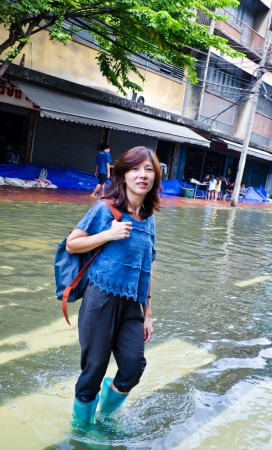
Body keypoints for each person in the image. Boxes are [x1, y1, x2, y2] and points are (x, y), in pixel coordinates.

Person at [66, 146, 161, 425]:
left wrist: (148, 314)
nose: (142, 175)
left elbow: (147, 267)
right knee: (94, 369)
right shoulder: (104, 208)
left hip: (132, 303)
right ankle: (81, 427)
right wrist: (108, 234)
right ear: (123, 174)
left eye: (148, 170)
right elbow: (72, 244)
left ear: (155, 177)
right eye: (135, 169)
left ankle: (105, 418)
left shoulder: (149, 218)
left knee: (133, 367)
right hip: (101, 298)